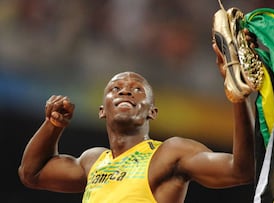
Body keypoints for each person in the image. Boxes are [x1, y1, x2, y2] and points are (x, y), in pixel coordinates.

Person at [18, 31, 257, 203]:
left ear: (152, 112)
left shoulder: (169, 154)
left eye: (137, 90)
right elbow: (32, 174)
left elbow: (240, 170)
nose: (125, 91)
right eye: (115, 89)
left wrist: (238, 94)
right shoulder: (93, 162)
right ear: (103, 110)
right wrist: (54, 125)